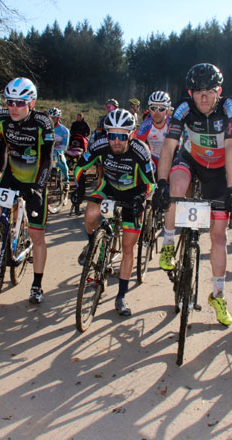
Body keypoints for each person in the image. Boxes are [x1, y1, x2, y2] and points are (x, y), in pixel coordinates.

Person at [152, 63, 232, 326]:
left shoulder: (230, 108)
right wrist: (161, 183)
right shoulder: (183, 108)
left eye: (210, 92)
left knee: (219, 235)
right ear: (190, 92)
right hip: (191, 160)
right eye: (198, 93)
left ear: (219, 91)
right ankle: (168, 244)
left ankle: (218, 295)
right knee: (176, 186)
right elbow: (169, 148)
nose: (203, 99)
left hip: (218, 170)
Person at [0, 77, 54, 304]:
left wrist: (38, 188)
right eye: (10, 102)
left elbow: (47, 159)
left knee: (37, 236)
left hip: (36, 180)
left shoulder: (42, 122)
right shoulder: (2, 119)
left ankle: (37, 285)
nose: (14, 108)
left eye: (20, 103)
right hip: (12, 176)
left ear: (32, 102)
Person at [72, 108, 155, 316]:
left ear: (131, 134)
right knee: (90, 214)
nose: (116, 141)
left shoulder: (140, 150)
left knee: (128, 247)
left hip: (133, 194)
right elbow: (80, 167)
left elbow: (150, 185)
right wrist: (79, 187)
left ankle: (121, 296)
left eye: (121, 136)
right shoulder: (100, 145)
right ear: (106, 134)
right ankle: (94, 244)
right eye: (112, 135)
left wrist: (140, 199)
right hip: (109, 188)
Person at [136, 91, 172, 170]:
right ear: (149, 109)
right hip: (153, 158)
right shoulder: (145, 126)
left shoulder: (172, 125)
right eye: (153, 108)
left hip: (170, 158)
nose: (157, 113)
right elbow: (137, 147)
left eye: (161, 109)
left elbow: (179, 147)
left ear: (168, 110)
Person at [48, 107, 70, 183]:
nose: (51, 119)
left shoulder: (64, 130)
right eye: (50, 118)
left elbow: (64, 147)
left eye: (53, 118)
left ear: (58, 118)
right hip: (47, 152)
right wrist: (55, 143)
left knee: (61, 162)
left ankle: (66, 180)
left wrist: (52, 144)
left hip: (58, 152)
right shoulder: (46, 128)